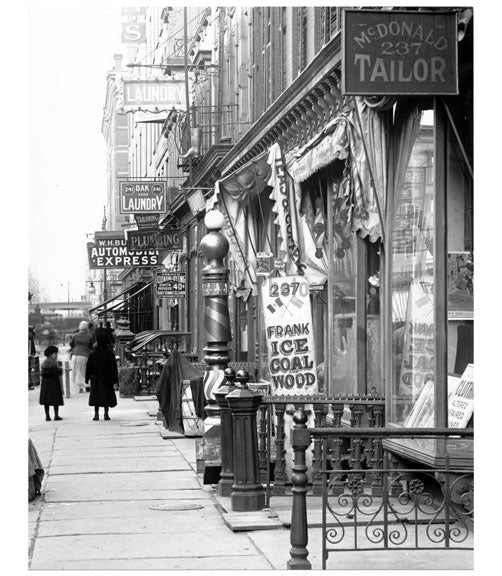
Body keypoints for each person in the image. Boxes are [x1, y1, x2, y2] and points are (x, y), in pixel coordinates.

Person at [86, 333, 118, 421]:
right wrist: (115, 380)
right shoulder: (110, 354)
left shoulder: (93, 354)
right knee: (106, 395)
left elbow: (89, 367)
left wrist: (87, 377)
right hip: (107, 378)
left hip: (96, 377)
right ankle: (106, 414)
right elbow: (114, 367)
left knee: (96, 396)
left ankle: (96, 414)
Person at [69, 321, 95, 394]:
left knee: (76, 371)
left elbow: (71, 344)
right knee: (83, 371)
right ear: (87, 328)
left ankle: (79, 387)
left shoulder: (75, 335)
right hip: (84, 355)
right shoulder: (89, 336)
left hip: (75, 354)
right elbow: (91, 346)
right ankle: (84, 386)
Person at [39, 345, 64, 421]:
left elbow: (42, 374)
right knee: (55, 399)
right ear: (52, 354)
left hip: (45, 384)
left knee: (46, 400)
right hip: (54, 383)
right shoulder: (54, 363)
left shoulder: (44, 362)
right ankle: (56, 415)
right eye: (56, 353)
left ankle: (47, 416)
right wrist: (60, 368)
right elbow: (58, 372)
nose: (56, 355)